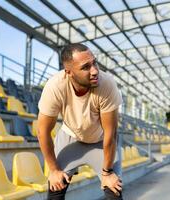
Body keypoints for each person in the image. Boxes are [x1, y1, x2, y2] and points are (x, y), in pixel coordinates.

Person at [37, 43, 123, 200]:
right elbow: (42, 131)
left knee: (114, 191)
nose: (95, 71)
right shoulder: (55, 87)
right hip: (70, 138)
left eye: (94, 63)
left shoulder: (106, 83)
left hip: (101, 141)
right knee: (55, 188)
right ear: (69, 72)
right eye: (86, 67)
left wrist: (107, 173)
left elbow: (111, 133)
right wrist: (54, 170)